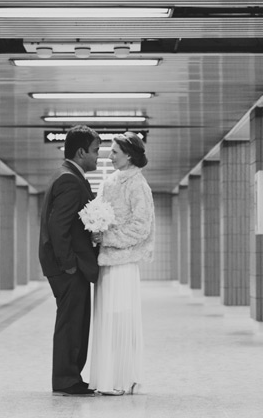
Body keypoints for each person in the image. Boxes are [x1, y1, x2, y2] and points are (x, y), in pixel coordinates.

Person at [89, 131, 155, 396]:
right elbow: (98, 211)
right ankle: (106, 378)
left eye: (115, 151)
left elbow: (141, 227)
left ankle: (123, 378)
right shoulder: (108, 182)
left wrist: (108, 236)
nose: (109, 155)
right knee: (106, 319)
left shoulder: (138, 184)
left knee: (121, 319)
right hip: (105, 263)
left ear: (129, 154)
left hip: (124, 264)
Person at [38, 124, 101, 397]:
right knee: (71, 322)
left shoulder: (70, 176)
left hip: (71, 265)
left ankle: (70, 376)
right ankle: (66, 379)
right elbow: (58, 226)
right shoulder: (69, 180)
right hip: (68, 267)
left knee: (75, 321)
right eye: (96, 151)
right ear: (80, 152)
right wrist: (69, 265)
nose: (98, 157)